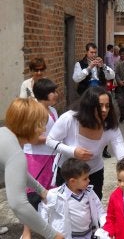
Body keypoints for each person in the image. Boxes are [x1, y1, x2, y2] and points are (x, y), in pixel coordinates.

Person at [46, 86, 124, 199]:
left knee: (93, 206)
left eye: (107, 106)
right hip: (69, 174)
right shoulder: (69, 119)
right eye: (100, 106)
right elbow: (50, 140)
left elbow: (121, 150)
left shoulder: (110, 126)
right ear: (89, 106)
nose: (104, 110)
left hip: (94, 173)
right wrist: (73, 151)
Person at [0, 98, 63, 239]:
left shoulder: (5, 133)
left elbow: (18, 172)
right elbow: (18, 205)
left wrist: (41, 191)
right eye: (40, 124)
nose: (44, 129)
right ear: (28, 125)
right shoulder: (15, 153)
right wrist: (53, 235)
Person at [22, 78, 59, 239]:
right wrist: (53, 139)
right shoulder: (35, 111)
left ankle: (47, 227)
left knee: (48, 195)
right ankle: (27, 232)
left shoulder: (53, 110)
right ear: (45, 94)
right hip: (36, 158)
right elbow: (32, 138)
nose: (56, 94)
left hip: (51, 157)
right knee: (33, 195)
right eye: (53, 92)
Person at [39, 158, 106, 238]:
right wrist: (48, 231)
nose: (89, 180)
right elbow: (43, 209)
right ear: (72, 181)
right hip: (68, 236)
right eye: (85, 178)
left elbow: (99, 210)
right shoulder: (56, 195)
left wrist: (105, 225)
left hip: (88, 234)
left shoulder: (89, 193)